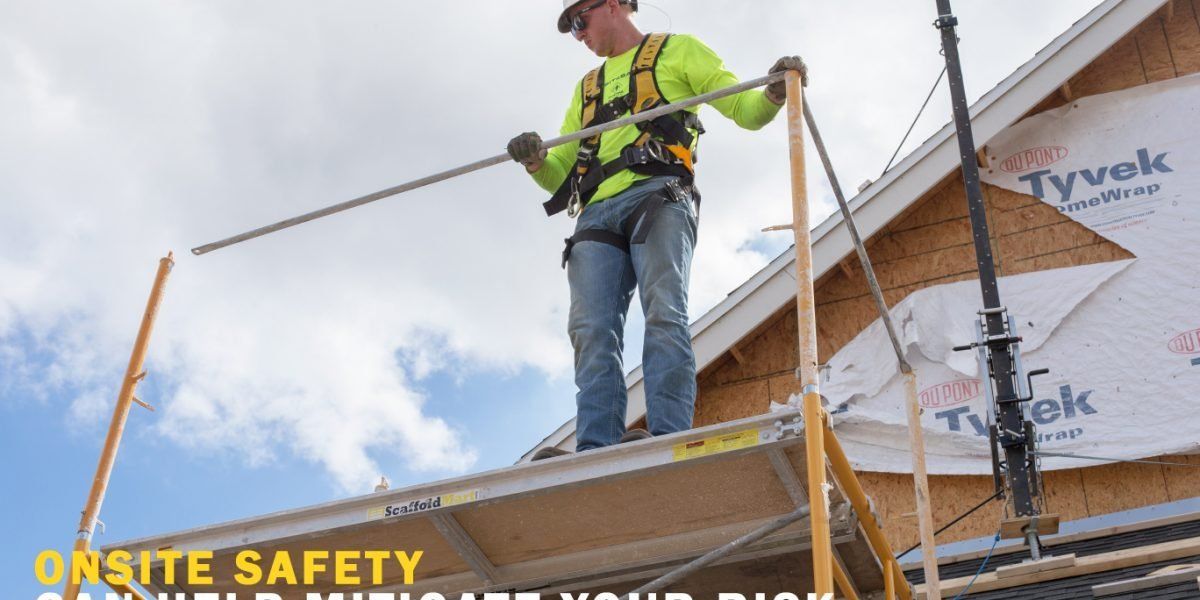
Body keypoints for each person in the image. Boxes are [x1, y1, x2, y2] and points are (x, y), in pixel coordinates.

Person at [509, 0, 806, 459]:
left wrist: (772, 93)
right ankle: (595, 447)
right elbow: (560, 174)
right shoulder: (587, 88)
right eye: (571, 29)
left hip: (659, 195)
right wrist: (535, 160)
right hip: (596, 214)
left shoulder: (678, 52)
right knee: (591, 329)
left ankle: (669, 434)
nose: (578, 35)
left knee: (664, 310)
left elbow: (743, 111)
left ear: (611, 6)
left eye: (579, 21)